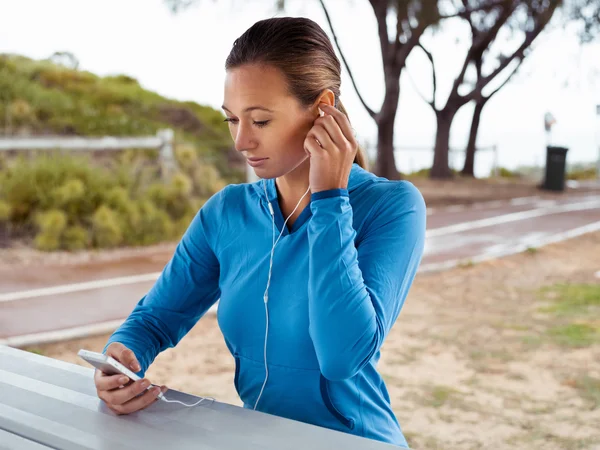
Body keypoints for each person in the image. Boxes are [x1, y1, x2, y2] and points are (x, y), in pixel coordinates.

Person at [95, 16, 426, 448]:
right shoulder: (226, 213)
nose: (240, 141)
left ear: (323, 108)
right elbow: (155, 320)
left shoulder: (391, 207)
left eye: (261, 121)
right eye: (232, 119)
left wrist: (329, 199)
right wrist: (121, 358)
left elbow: (342, 356)